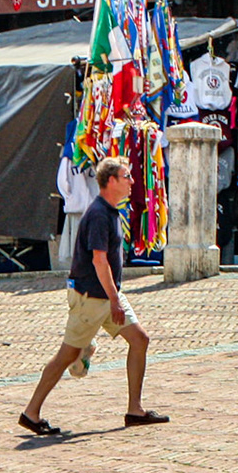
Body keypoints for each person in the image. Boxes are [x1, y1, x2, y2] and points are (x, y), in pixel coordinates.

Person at [21, 157, 166, 437]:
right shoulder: (99, 214)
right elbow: (100, 261)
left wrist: (114, 297)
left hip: (106, 295)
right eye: (126, 176)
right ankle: (31, 412)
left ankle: (135, 409)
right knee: (67, 354)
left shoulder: (110, 211)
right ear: (110, 181)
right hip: (92, 297)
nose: (132, 181)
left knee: (140, 339)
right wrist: (114, 300)